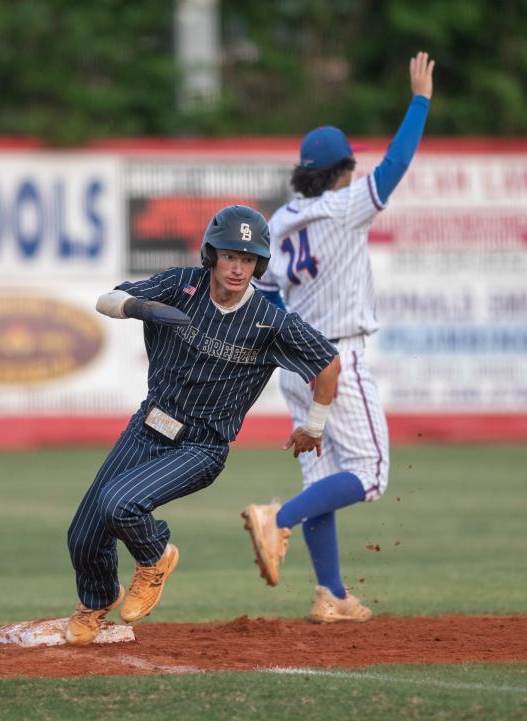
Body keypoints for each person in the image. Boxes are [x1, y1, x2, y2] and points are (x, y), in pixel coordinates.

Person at [65, 204, 341, 646]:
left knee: (120, 504)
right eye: (231, 255)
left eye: (248, 259)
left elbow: (328, 363)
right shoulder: (181, 284)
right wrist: (142, 308)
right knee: (82, 532)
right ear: (211, 254)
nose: (238, 268)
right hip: (148, 427)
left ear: (259, 264)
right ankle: (96, 602)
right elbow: (108, 300)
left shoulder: (269, 321)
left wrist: (315, 424)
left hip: (201, 446)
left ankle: (156, 557)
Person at [243, 52, 435, 623]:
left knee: (325, 473)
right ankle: (276, 519)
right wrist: (420, 99)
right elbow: (396, 164)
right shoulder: (346, 204)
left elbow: (269, 294)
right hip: (337, 359)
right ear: (343, 170)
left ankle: (331, 594)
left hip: (295, 366)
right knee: (371, 474)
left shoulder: (280, 221)